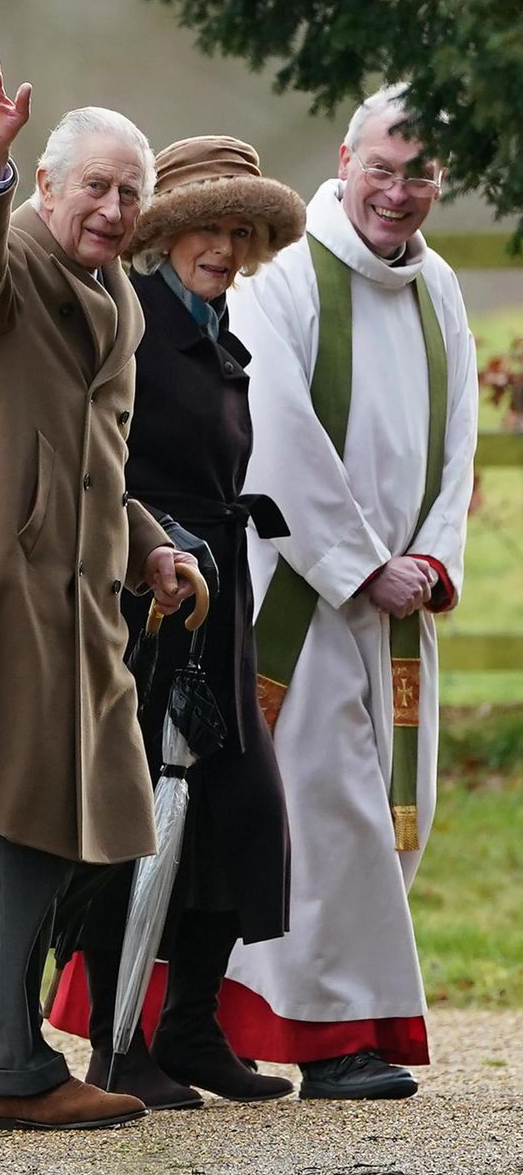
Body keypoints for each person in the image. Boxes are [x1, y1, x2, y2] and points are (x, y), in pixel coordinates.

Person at [0, 48, 201, 1133]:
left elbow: (95, 459)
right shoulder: (10, 262)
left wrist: (149, 541)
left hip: (84, 595)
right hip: (9, 586)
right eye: (94, 186)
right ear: (49, 187)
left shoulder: (117, 297)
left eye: (129, 192)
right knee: (34, 812)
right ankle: (9, 1059)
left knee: (96, 815)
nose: (111, 208)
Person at [212, 84, 478, 1099]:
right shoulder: (280, 272)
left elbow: (457, 445)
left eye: (421, 174)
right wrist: (363, 564)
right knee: (326, 815)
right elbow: (271, 427)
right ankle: (332, 1044)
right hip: (299, 592)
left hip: (399, 607)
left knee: (388, 812)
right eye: (383, 167)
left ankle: (257, 1020)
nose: (399, 193)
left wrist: (430, 561)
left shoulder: (440, 285)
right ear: (343, 157)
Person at [47, 136, 306, 1109]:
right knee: (138, 822)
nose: (227, 247)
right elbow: (105, 463)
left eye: (242, 232)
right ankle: (119, 1049)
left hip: (217, 589)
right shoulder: (137, 317)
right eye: (210, 226)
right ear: (168, 232)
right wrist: (152, 556)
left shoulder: (218, 323)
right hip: (146, 602)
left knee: (243, 813)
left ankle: (191, 1028)